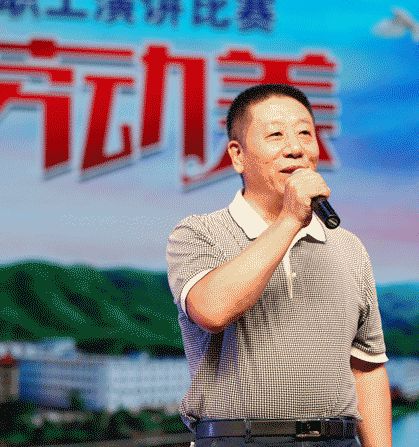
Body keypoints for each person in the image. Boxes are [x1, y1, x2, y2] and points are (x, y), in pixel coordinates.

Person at [166, 84, 392, 447]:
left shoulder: (348, 246)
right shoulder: (199, 232)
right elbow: (211, 310)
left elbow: (366, 367)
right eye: (276, 135)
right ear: (238, 155)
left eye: (305, 133)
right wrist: (290, 219)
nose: (295, 148)